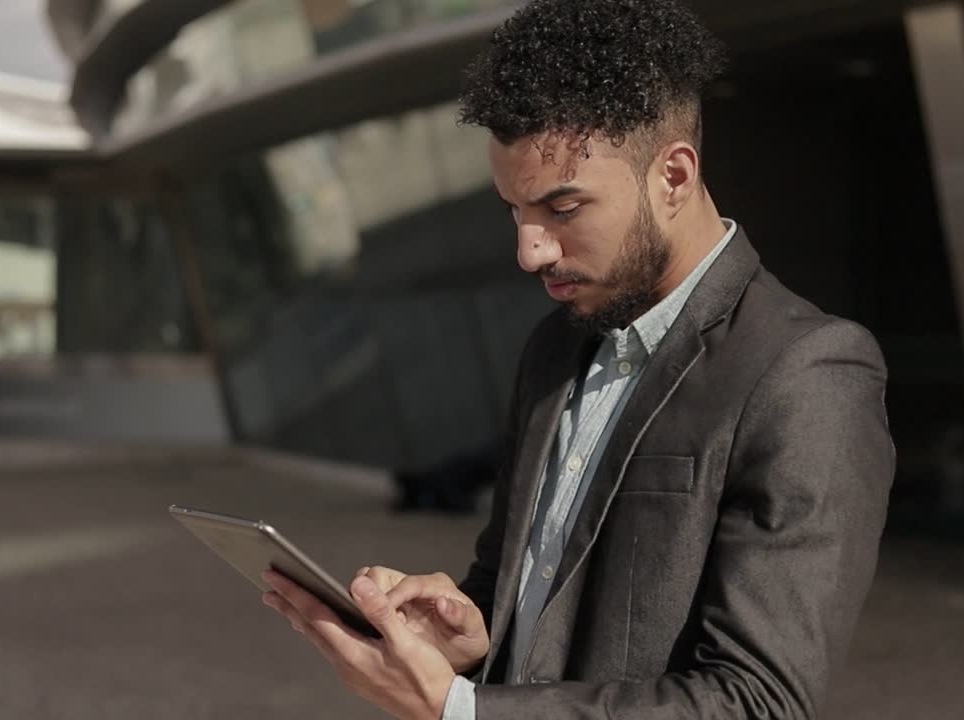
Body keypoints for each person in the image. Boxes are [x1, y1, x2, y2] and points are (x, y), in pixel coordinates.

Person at [261, 0, 895, 717]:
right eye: (515, 211)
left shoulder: (806, 373)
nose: (530, 252)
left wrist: (463, 711)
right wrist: (470, 636)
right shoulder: (554, 347)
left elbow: (758, 702)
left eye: (562, 210)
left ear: (674, 176)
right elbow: (520, 593)